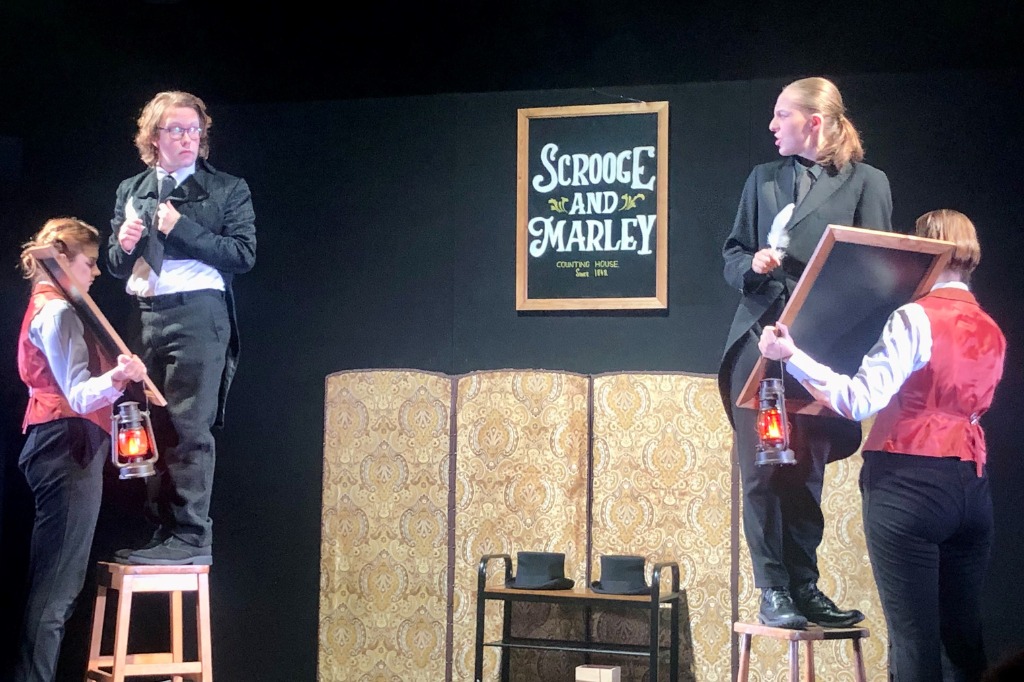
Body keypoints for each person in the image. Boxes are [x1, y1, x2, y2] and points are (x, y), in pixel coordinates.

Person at [759, 209, 1005, 681]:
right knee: (964, 640)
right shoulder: (991, 327)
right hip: (973, 488)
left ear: (925, 250)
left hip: (910, 483)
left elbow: (859, 399)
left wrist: (793, 357)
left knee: (914, 640)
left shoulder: (915, 317)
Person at [719, 76, 892, 629]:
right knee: (765, 468)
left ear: (813, 122)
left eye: (781, 115)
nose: (771, 126)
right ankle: (774, 590)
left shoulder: (867, 182)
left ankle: (804, 586)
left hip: (817, 350)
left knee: (804, 470)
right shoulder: (763, 180)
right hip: (763, 346)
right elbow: (733, 252)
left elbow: (877, 270)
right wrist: (753, 266)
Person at [106, 90, 256, 565]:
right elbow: (113, 265)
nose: (189, 138)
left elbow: (242, 255)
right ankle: (161, 532)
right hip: (145, 315)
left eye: (195, 130)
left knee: (190, 427)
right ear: (154, 136)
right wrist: (122, 245)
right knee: (147, 428)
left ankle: (191, 537)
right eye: (178, 129)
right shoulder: (131, 190)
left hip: (198, 315)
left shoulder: (227, 189)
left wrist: (180, 228)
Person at [14, 218, 147, 682]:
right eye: (89, 263)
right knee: (56, 593)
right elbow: (78, 395)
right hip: (65, 443)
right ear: (63, 259)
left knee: (56, 589)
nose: (94, 274)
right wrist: (119, 376)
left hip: (60, 444)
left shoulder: (55, 308)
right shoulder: (58, 312)